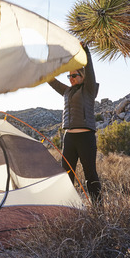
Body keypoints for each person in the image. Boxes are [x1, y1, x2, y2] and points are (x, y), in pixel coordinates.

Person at [47, 44, 101, 203]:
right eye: (69, 76)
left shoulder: (89, 89)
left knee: (90, 173)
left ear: (83, 76)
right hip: (69, 138)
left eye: (74, 76)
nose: (71, 79)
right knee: (66, 174)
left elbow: (90, 70)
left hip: (86, 138)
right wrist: (43, 70)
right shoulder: (67, 91)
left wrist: (86, 52)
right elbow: (51, 81)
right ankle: (67, 207)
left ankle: (98, 209)